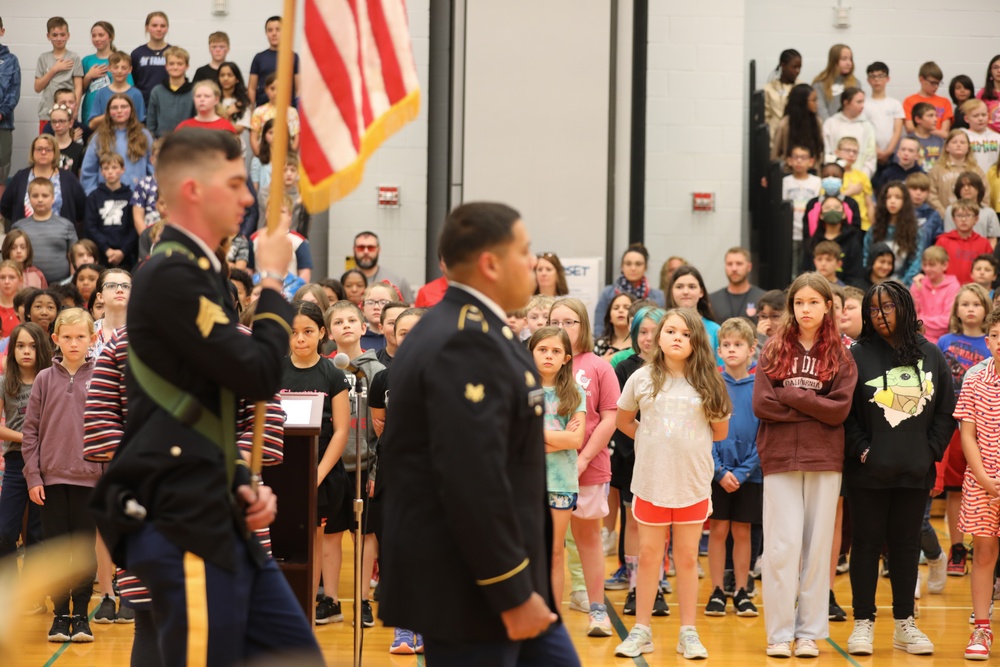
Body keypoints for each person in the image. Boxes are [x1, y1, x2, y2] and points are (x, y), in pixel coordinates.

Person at [88, 128, 322, 667]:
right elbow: (262, 374)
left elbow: (201, 413)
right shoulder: (171, 273)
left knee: (296, 656)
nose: (248, 198)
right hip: (185, 519)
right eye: (237, 183)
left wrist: (240, 482)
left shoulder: (205, 272)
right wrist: (270, 279)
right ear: (193, 189)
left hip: (219, 509)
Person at [378, 202, 579, 666]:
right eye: (524, 250)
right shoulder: (463, 340)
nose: (533, 262)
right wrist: (509, 591)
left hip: (507, 576)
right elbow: (472, 479)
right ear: (490, 263)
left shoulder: (483, 329)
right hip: (473, 588)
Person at [842, 280, 955, 656]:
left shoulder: (931, 354)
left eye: (887, 307)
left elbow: (945, 410)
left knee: (906, 547)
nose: (879, 314)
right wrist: (862, 449)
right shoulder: (857, 354)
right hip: (867, 472)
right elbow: (847, 415)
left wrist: (930, 451)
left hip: (914, 470)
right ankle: (863, 623)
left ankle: (905, 624)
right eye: (873, 309)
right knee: (866, 545)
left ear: (904, 307)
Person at [613, 307, 730, 660]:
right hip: (651, 482)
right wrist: (651, 440)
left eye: (686, 333)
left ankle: (688, 633)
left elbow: (719, 431)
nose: (678, 337)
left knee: (686, 556)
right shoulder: (642, 378)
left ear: (697, 342)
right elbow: (623, 421)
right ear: (658, 337)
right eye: (671, 331)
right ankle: (642, 630)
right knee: (649, 556)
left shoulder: (709, 381)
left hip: (692, 484)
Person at [753, 273, 858, 658]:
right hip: (779, 458)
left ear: (828, 306)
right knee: (782, 548)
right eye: (800, 303)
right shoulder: (772, 349)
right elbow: (763, 404)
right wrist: (814, 405)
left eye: (814, 302)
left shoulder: (841, 354)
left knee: (817, 549)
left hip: (824, 458)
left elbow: (839, 411)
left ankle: (809, 633)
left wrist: (792, 395)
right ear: (791, 307)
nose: (806, 309)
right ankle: (779, 633)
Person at [23, 308, 99, 643]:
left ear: (92, 339)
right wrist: (33, 477)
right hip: (51, 481)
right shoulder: (43, 379)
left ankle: (81, 615)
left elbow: (112, 430)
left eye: (80, 336)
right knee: (55, 550)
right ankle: (59, 615)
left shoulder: (102, 377)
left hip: (90, 480)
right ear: (55, 339)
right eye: (66, 337)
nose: (73, 343)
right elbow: (30, 434)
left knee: (83, 550)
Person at [550, 296, 621, 638]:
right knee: (548, 545)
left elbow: (609, 418)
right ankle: (549, 617)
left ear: (583, 326)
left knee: (588, 539)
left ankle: (597, 610)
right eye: (556, 322)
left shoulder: (598, 366)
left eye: (570, 322)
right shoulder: (539, 365)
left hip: (588, 467)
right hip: (545, 471)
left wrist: (582, 459)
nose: (562, 328)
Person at [280, 301, 350, 625]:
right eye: (294, 333)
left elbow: (340, 432)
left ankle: (307, 610)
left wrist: (316, 475)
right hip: (278, 468)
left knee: (314, 539)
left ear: (322, 333)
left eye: (308, 332)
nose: (300, 339)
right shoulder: (274, 369)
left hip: (319, 472)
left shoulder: (333, 375)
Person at [323, 299, 386, 627]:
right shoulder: (325, 368)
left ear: (364, 328)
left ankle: (362, 600)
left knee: (363, 536)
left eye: (352, 320)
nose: (345, 325)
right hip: (334, 468)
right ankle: (330, 601)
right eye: (338, 321)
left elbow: (382, 429)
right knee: (330, 534)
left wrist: (376, 469)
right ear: (329, 332)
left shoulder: (377, 371)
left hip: (365, 467)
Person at [705, 318, 761, 619]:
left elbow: (764, 437)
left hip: (750, 476)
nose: (731, 349)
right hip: (717, 474)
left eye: (738, 344)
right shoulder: (712, 385)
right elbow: (705, 432)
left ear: (752, 349)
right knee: (718, 529)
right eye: (726, 345)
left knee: (742, 531)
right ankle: (717, 591)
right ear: (718, 350)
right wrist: (720, 471)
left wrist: (741, 473)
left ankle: (741, 590)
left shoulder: (761, 387)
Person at [528, 327, 586, 615]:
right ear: (530, 353)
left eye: (555, 351)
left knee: (554, 552)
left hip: (560, 483)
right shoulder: (518, 390)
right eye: (542, 350)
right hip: (524, 482)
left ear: (566, 358)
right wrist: (556, 438)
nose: (549, 355)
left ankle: (552, 617)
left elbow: (575, 440)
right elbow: (513, 439)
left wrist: (533, 438)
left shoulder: (576, 393)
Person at [954, 306, 1000, 660]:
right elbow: (966, 434)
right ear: (987, 341)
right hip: (982, 481)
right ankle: (982, 628)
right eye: (996, 336)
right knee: (983, 552)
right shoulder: (973, 377)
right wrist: (985, 477)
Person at [0, 323, 50, 613]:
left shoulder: (49, 380)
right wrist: (26, 438)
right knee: (5, 530)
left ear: (41, 348)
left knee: (37, 533)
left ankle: (34, 595)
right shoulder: (6, 382)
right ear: (12, 349)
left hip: (46, 464)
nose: (26, 351)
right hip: (17, 460)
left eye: (32, 345)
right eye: (20, 346)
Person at [0, 134, 86, 229]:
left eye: (48, 149)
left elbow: (81, 208)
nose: (43, 152)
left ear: (55, 153)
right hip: (25, 237)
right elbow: (5, 206)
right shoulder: (21, 177)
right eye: (39, 149)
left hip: (60, 236)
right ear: (32, 152)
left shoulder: (68, 178)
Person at [80, 94, 154, 194]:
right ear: (108, 112)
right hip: (108, 199)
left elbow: (154, 169)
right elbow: (88, 172)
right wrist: (94, 196)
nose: (119, 111)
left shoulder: (144, 135)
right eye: (114, 108)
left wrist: (151, 195)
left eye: (124, 107)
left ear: (131, 110)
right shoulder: (99, 137)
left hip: (138, 198)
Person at [12, 178, 77, 284]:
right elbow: (11, 258)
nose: (40, 200)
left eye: (45, 196)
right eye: (35, 196)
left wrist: (73, 282)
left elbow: (73, 257)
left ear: (53, 198)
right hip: (27, 284)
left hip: (61, 285)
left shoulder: (66, 225)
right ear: (29, 198)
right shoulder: (18, 227)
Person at [594, 244, 665, 337]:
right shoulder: (607, 293)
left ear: (645, 267)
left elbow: (662, 327)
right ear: (622, 266)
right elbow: (599, 327)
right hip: (612, 346)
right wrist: (604, 348)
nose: (633, 268)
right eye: (628, 264)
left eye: (638, 264)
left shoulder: (658, 296)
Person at [863, 181, 925, 286]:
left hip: (903, 286)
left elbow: (916, 263)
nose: (892, 201)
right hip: (873, 285)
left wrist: (901, 285)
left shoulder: (914, 232)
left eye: (898, 197)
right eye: (889, 197)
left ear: (905, 202)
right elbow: (866, 258)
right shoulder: (875, 229)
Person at [84, 153, 136, 269]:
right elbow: (90, 227)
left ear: (123, 170)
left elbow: (134, 227)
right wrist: (106, 249)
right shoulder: (94, 197)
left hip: (126, 254)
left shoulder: (130, 196)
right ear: (101, 172)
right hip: (101, 253)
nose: (110, 172)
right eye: (106, 168)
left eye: (114, 167)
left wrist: (123, 251)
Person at [33, 17, 83, 133]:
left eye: (62, 34)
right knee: (47, 146)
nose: (59, 38)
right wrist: (54, 70)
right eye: (54, 35)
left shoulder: (74, 57)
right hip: (47, 114)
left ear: (68, 35)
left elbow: (78, 87)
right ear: (48, 36)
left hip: (68, 115)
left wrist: (75, 111)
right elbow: (37, 87)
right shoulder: (43, 58)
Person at [928, 130, 990, 215]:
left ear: (968, 147)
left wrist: (976, 215)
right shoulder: (937, 170)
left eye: (962, 142)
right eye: (954, 142)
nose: (958, 145)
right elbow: (931, 195)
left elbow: (985, 194)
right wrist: (944, 214)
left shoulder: (976, 170)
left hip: (972, 219)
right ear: (946, 147)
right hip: (944, 218)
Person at [666, 265, 720, 360]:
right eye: (679, 287)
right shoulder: (662, 327)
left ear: (701, 292)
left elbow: (722, 370)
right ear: (672, 291)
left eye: (692, 287)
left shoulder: (716, 330)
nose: (686, 292)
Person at [823, 87, 877, 178]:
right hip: (835, 178)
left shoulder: (867, 126)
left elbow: (870, 156)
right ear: (846, 103)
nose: (862, 105)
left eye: (863, 102)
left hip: (859, 178)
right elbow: (826, 151)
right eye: (858, 102)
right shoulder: (831, 123)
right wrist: (835, 174)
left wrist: (861, 177)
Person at [936, 199, 993, 283]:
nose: (963, 219)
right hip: (948, 289)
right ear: (953, 219)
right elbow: (936, 267)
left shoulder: (984, 243)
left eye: (968, 215)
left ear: (976, 219)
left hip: (976, 290)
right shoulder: (943, 241)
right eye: (959, 216)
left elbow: (989, 270)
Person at [911, 246, 961, 343]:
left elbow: (947, 321)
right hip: (917, 339)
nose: (927, 269)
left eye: (932, 265)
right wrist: (918, 292)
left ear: (944, 265)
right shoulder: (918, 284)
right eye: (924, 265)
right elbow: (911, 317)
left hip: (944, 341)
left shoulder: (953, 286)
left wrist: (920, 322)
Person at [248, 16, 301, 106]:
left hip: (286, 109)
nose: (274, 33)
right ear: (266, 33)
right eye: (270, 30)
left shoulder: (293, 57)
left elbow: (299, 88)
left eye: (278, 30)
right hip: (263, 109)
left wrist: (296, 109)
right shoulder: (259, 57)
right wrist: (252, 109)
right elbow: (251, 88)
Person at [350, 231, 413, 304]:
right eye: (361, 248)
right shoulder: (341, 281)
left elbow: (410, 310)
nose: (366, 251)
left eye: (371, 248)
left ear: (378, 250)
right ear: (354, 249)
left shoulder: (398, 281)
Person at [864, 62, 906, 173]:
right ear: (868, 80)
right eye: (872, 76)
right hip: (870, 153)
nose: (876, 80)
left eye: (880, 76)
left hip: (892, 154)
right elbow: (865, 130)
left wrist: (888, 151)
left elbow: (898, 130)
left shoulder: (895, 104)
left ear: (887, 79)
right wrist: (876, 150)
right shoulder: (863, 104)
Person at [782, 145, 822, 260]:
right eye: (796, 157)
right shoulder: (785, 182)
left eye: (803, 157)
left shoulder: (817, 182)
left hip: (809, 231)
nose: (799, 161)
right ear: (789, 160)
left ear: (811, 161)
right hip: (790, 231)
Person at [87, 51, 146, 129]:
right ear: (109, 68)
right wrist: (111, 114)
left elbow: (140, 123)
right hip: (106, 136)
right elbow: (92, 124)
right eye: (116, 67)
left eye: (124, 68)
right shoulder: (101, 93)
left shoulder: (136, 94)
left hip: (130, 136)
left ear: (130, 69)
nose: (119, 71)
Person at [771, 84, 825, 168]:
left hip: (813, 172)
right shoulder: (785, 124)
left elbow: (821, 150)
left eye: (816, 100)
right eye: (813, 100)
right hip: (789, 172)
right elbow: (775, 154)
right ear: (802, 102)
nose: (816, 104)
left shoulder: (817, 122)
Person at [146, 46, 194, 138]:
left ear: (187, 66)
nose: (175, 67)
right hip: (162, 142)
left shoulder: (194, 92)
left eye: (180, 64)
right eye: (171, 64)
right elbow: (151, 121)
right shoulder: (157, 91)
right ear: (166, 66)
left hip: (188, 142)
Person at [710, 247, 766, 324]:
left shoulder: (763, 298)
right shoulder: (712, 300)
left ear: (749, 267)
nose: (734, 268)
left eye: (739, 264)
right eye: (729, 264)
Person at [0, 16, 20, 203]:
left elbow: (14, 91)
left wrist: (2, 112)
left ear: (2, 31)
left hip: (3, 124)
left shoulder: (11, 61)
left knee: (1, 171)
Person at [904, 62, 953, 139]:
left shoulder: (944, 102)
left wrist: (924, 130)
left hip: (938, 144)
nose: (936, 87)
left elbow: (945, 133)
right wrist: (933, 131)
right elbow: (909, 128)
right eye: (933, 83)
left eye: (938, 83)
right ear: (921, 79)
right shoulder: (909, 101)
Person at [130, 12, 170, 105]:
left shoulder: (174, 53)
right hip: (143, 104)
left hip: (168, 104)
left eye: (162, 26)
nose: (159, 29)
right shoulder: (137, 53)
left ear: (167, 28)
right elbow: (133, 81)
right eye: (154, 25)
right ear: (147, 27)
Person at [836, 136, 875, 231]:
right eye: (847, 150)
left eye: (855, 152)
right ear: (837, 152)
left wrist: (874, 226)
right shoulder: (832, 175)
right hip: (839, 224)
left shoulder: (862, 176)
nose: (851, 154)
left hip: (863, 225)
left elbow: (869, 204)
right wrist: (849, 192)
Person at [764, 49, 802, 144]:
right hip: (774, 138)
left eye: (799, 67)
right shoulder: (769, 88)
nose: (797, 71)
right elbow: (765, 117)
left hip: (797, 137)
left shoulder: (802, 87)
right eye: (794, 67)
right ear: (783, 65)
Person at [812, 44, 857, 121]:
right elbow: (821, 112)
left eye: (850, 59)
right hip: (828, 129)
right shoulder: (819, 84)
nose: (849, 63)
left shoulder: (855, 83)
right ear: (834, 61)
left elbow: (857, 109)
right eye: (844, 59)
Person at [961, 99, 1000, 175]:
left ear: (988, 116)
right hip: (971, 180)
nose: (980, 119)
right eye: (976, 116)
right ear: (966, 119)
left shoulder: (997, 138)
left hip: (993, 180)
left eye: (983, 115)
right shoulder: (962, 137)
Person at [909, 103, 946, 171]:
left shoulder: (940, 141)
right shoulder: (907, 141)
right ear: (918, 119)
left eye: (936, 116)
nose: (936, 119)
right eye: (930, 116)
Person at [49, 105, 84, 178]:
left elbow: (81, 179)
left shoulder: (80, 150)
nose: (57, 125)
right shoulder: (46, 148)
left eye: (61, 121)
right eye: (54, 121)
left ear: (70, 123)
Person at [979, 55, 1000, 135]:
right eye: (995, 67)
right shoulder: (983, 93)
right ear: (990, 71)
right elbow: (976, 115)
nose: (999, 70)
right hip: (988, 138)